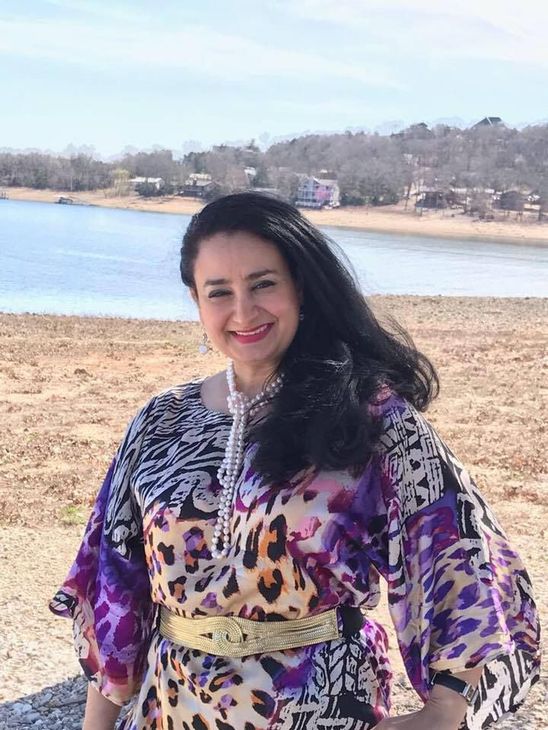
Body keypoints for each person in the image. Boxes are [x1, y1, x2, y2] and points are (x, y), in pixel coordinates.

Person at [50, 192, 540, 730]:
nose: (243, 311)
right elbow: (117, 581)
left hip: (317, 703)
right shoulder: (161, 420)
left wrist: (445, 708)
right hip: (171, 703)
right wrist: (99, 721)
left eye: (263, 284)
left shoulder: (368, 417)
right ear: (196, 301)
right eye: (220, 292)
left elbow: (461, 553)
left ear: (300, 287)